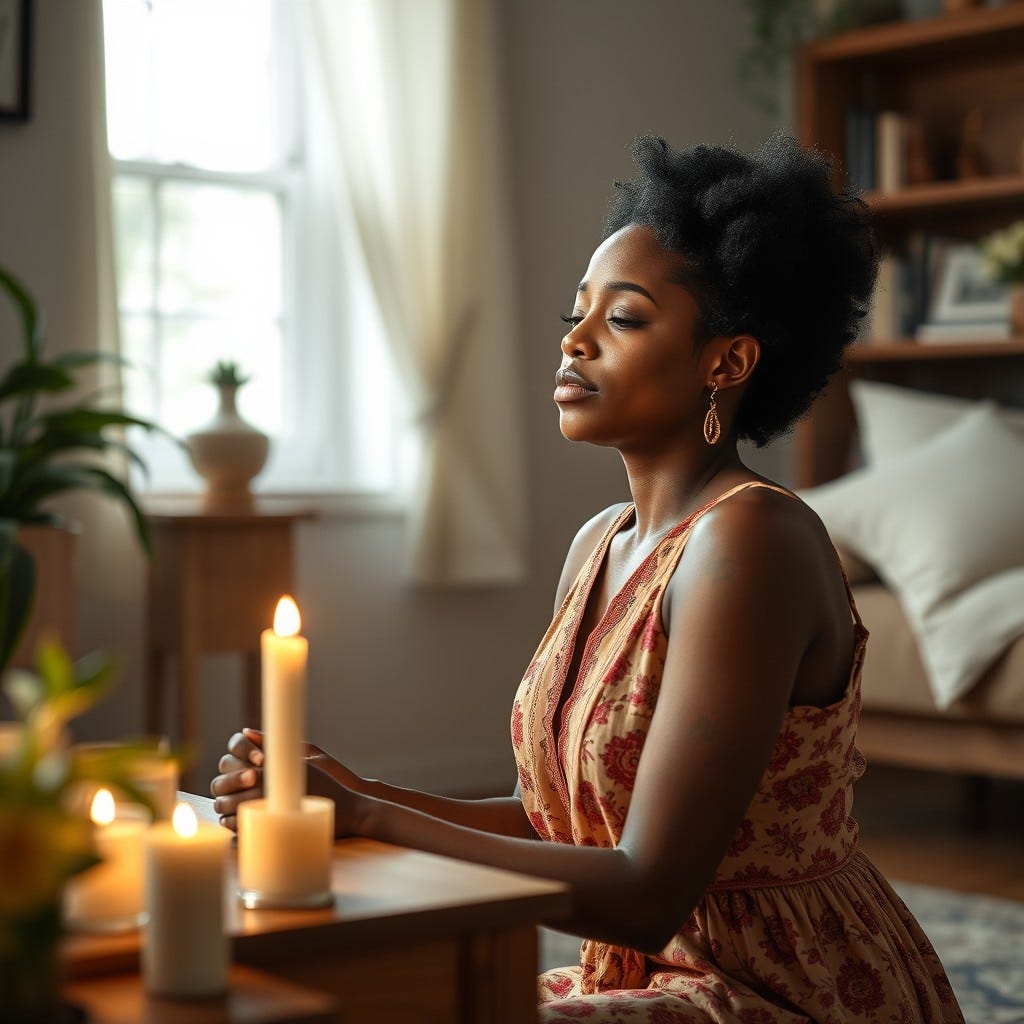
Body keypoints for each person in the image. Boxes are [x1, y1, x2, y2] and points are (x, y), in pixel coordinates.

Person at [211, 134, 963, 1023]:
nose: (574, 340)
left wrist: (372, 823)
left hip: (775, 988)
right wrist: (354, 793)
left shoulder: (751, 541)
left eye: (625, 319)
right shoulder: (601, 542)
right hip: (644, 975)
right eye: (578, 314)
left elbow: (646, 894)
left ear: (727, 362)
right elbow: (560, 822)